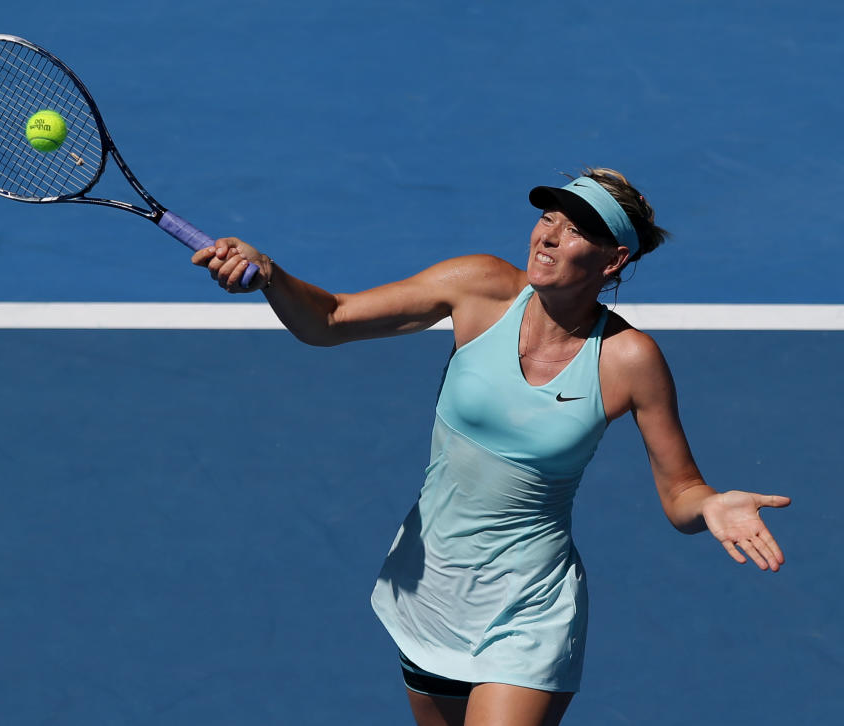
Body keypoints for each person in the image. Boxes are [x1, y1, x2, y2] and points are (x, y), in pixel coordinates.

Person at [191, 168, 791, 726]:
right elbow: (331, 318)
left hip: (530, 610)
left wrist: (710, 505)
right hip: (430, 594)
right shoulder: (479, 289)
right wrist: (271, 274)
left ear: (614, 260)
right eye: (549, 218)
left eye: (575, 229)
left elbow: (681, 490)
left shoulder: (629, 360)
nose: (549, 237)